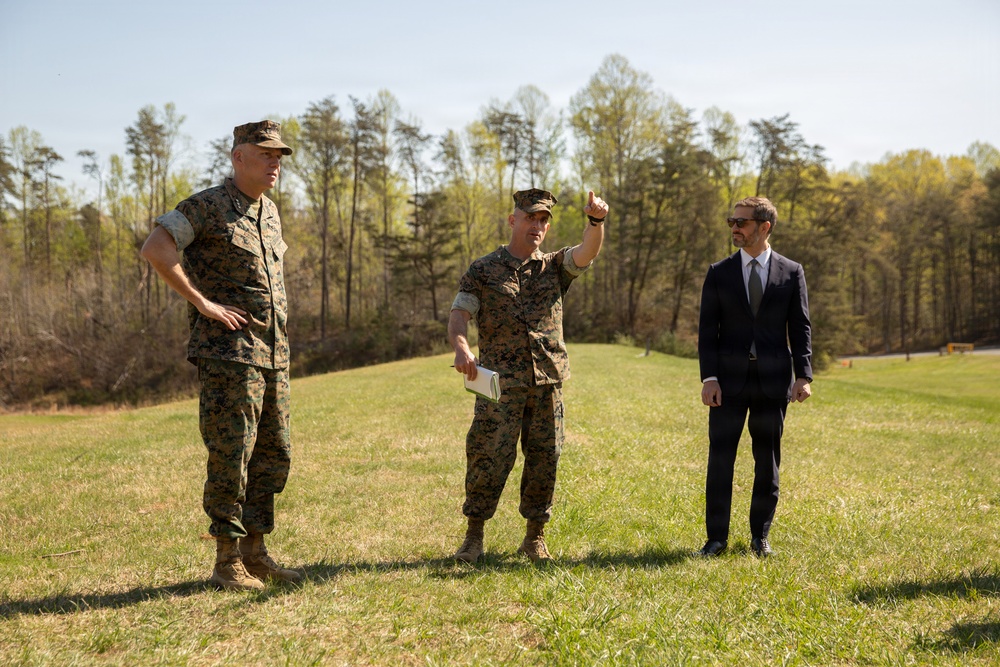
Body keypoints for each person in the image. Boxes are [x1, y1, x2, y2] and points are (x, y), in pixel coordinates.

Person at [140, 120, 301, 589]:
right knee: (232, 453)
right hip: (229, 354)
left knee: (273, 454)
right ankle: (226, 560)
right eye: (265, 154)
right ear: (238, 157)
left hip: (273, 355)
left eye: (278, 156)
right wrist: (203, 303)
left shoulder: (269, 211)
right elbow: (156, 248)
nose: (274, 163)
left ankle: (255, 553)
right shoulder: (206, 205)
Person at [448, 188, 608, 563]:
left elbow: (587, 252)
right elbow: (460, 313)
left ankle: (535, 537)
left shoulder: (554, 266)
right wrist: (461, 346)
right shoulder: (483, 270)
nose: (537, 225)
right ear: (513, 220)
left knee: (545, 458)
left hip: (547, 381)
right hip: (498, 384)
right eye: (530, 217)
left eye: (543, 220)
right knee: (487, 456)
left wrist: (596, 221)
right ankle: (474, 536)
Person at [697, 196, 812, 558]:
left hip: (773, 382)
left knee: (767, 461)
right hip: (727, 383)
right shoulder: (719, 272)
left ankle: (760, 538)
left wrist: (803, 375)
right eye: (731, 221)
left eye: (742, 222)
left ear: (765, 227)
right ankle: (716, 539)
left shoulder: (791, 272)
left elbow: (801, 327)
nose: (734, 227)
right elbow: (707, 331)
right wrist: (709, 378)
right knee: (720, 461)